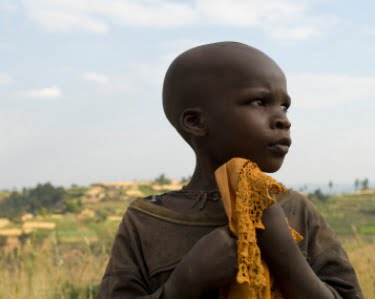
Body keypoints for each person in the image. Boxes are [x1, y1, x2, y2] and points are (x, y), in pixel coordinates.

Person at [97, 42, 363, 299]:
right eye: (259, 102)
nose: (283, 119)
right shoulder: (145, 221)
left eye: (284, 106)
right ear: (195, 122)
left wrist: (285, 255)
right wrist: (186, 282)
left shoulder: (296, 210)